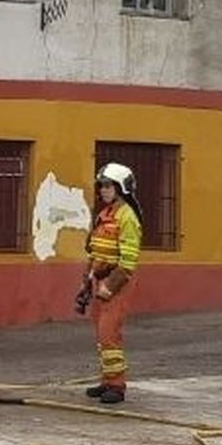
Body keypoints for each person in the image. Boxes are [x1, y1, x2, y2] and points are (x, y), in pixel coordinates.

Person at [83, 162, 144, 405]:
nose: (103, 190)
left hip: (116, 282)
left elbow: (128, 260)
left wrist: (110, 286)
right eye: (102, 186)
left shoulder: (127, 217)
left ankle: (117, 386)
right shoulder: (105, 214)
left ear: (121, 188)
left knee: (110, 333)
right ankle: (107, 380)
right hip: (100, 279)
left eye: (108, 186)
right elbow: (94, 249)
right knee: (101, 333)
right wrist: (87, 281)